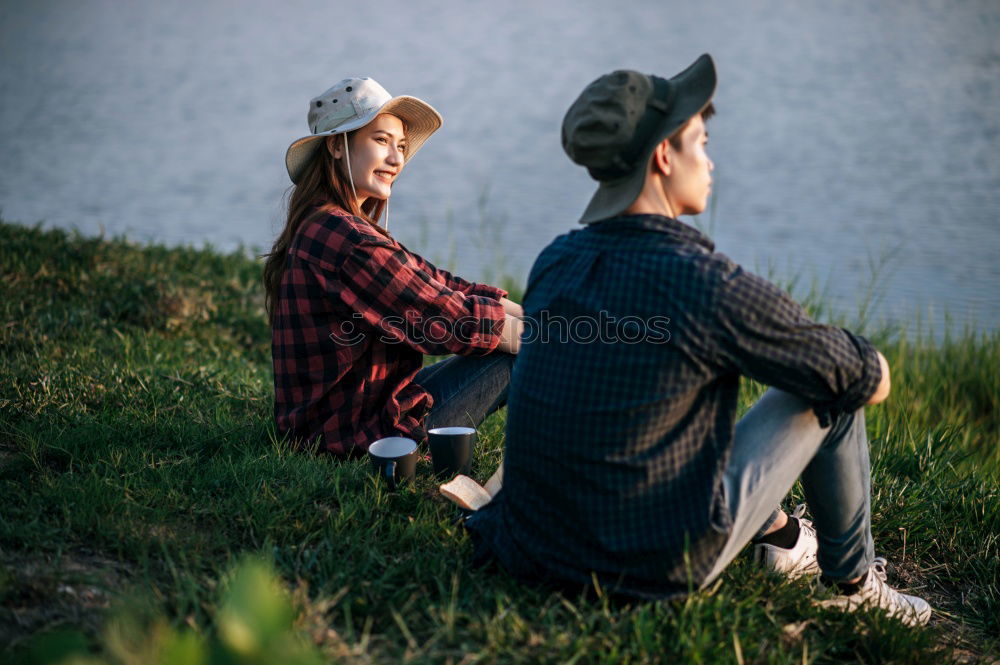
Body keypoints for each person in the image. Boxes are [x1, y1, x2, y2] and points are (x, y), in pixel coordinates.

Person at [465, 55, 932, 626]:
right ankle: (855, 588)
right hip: (645, 566)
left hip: (529, 549)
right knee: (832, 376)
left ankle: (782, 542)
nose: (710, 162)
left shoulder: (556, 260)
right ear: (663, 155)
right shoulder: (700, 279)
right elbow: (863, 378)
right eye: (701, 143)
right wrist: (865, 360)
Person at [264, 77, 523, 457]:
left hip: (342, 418)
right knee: (515, 356)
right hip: (352, 437)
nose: (397, 159)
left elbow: (438, 284)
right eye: (381, 141)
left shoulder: (329, 222)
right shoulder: (347, 240)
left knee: (523, 338)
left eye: (400, 146)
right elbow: (453, 316)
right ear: (337, 145)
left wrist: (538, 315)